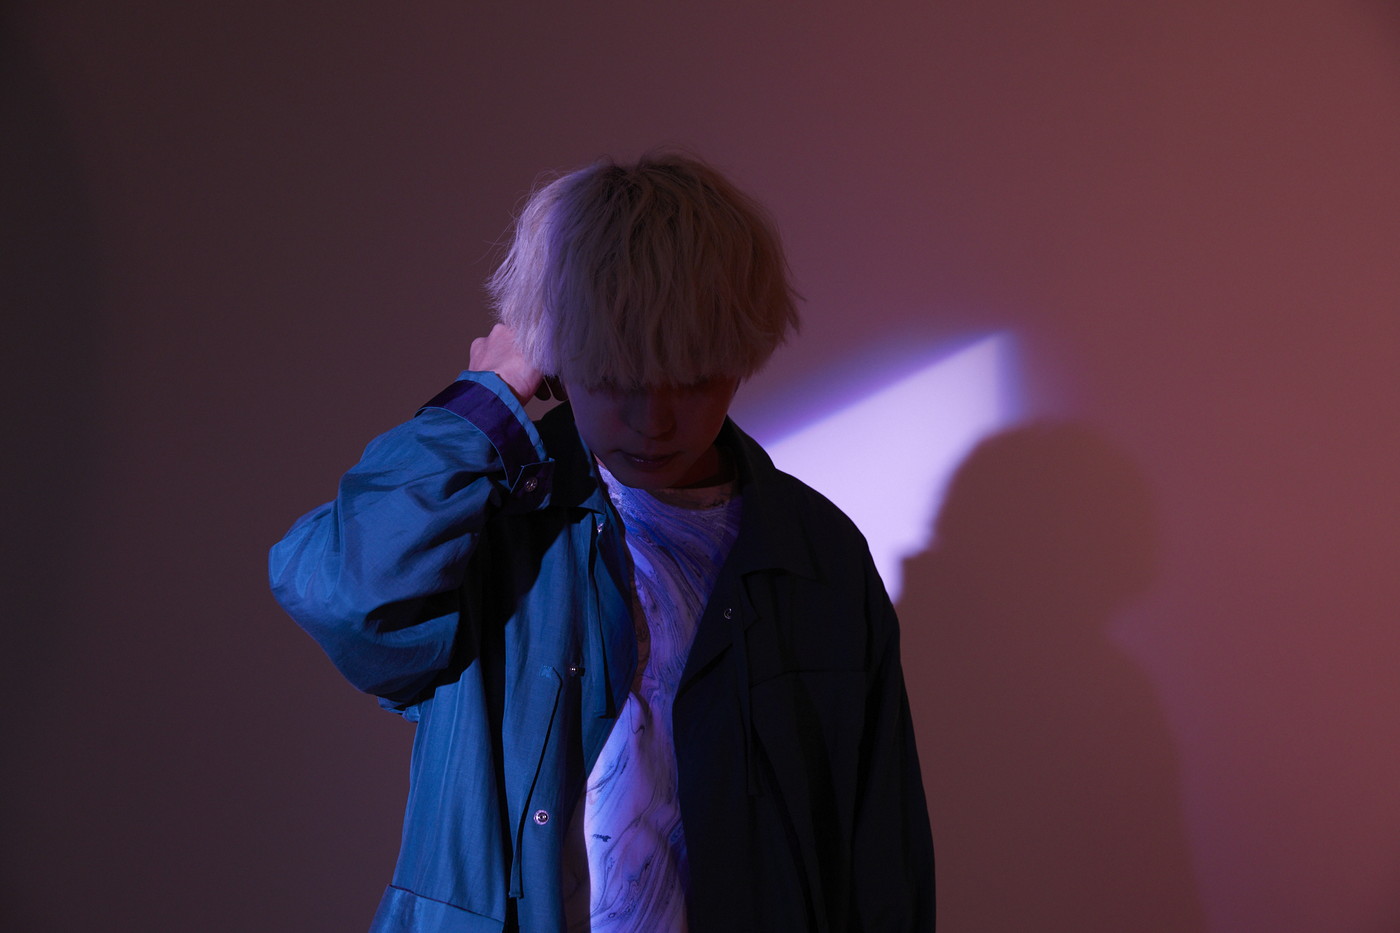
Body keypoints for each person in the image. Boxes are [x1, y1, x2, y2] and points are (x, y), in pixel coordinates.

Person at [269, 152, 934, 932]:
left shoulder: (817, 555)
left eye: (693, 378)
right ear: (558, 357)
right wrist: (483, 405)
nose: (654, 419)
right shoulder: (493, 517)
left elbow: (880, 857)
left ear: (738, 354)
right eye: (616, 376)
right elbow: (343, 591)